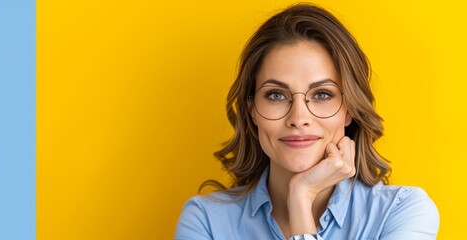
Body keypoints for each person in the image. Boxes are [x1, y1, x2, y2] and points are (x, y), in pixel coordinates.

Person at [175, 3, 439, 240]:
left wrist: (300, 197)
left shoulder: (402, 213)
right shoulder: (205, 222)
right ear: (252, 110)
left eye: (322, 94)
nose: (299, 118)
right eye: (276, 95)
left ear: (349, 109)